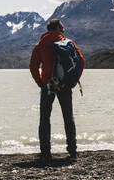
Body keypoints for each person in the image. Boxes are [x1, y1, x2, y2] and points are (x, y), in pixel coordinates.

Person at [29, 19, 85, 165]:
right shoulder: (68, 43)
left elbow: (33, 66)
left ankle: (45, 154)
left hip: (47, 85)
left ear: (48, 29)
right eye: (62, 26)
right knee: (68, 118)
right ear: (59, 28)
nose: (64, 28)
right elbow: (81, 61)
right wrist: (73, 81)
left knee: (44, 119)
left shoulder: (41, 44)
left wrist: (40, 82)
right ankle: (72, 152)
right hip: (65, 85)